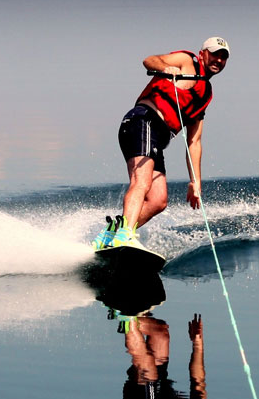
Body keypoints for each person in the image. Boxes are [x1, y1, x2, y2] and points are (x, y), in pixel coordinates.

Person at [92, 37, 230, 251]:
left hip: (157, 137)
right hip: (143, 121)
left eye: (223, 57)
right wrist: (166, 68)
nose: (218, 60)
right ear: (203, 53)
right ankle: (125, 236)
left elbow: (194, 141)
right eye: (214, 54)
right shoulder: (186, 61)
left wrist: (196, 182)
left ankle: (112, 234)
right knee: (142, 182)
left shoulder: (205, 93)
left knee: (158, 201)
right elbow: (149, 60)